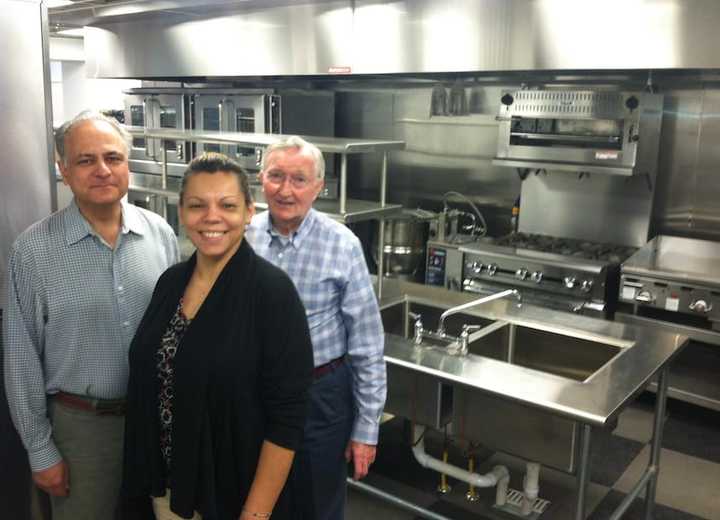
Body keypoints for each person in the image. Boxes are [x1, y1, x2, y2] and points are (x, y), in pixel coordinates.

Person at [3, 110, 180, 520]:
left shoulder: (161, 235)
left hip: (155, 421)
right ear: (62, 169)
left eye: (113, 158)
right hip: (79, 429)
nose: (102, 170)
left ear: (127, 166)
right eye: (85, 160)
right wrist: (40, 450)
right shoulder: (33, 252)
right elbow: (20, 358)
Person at [122, 152, 314, 520]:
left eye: (227, 205)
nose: (212, 217)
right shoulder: (171, 283)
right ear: (181, 211)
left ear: (248, 212)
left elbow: (287, 418)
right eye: (197, 205)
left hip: (232, 496)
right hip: (167, 489)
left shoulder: (272, 293)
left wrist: (254, 515)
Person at [246, 136, 387, 520]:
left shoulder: (342, 245)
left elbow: (367, 343)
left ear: (319, 187)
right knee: (256, 501)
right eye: (276, 176)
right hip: (255, 393)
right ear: (261, 179)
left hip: (320, 397)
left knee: (315, 505)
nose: (285, 190)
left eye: (299, 179)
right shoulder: (243, 236)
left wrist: (366, 428)